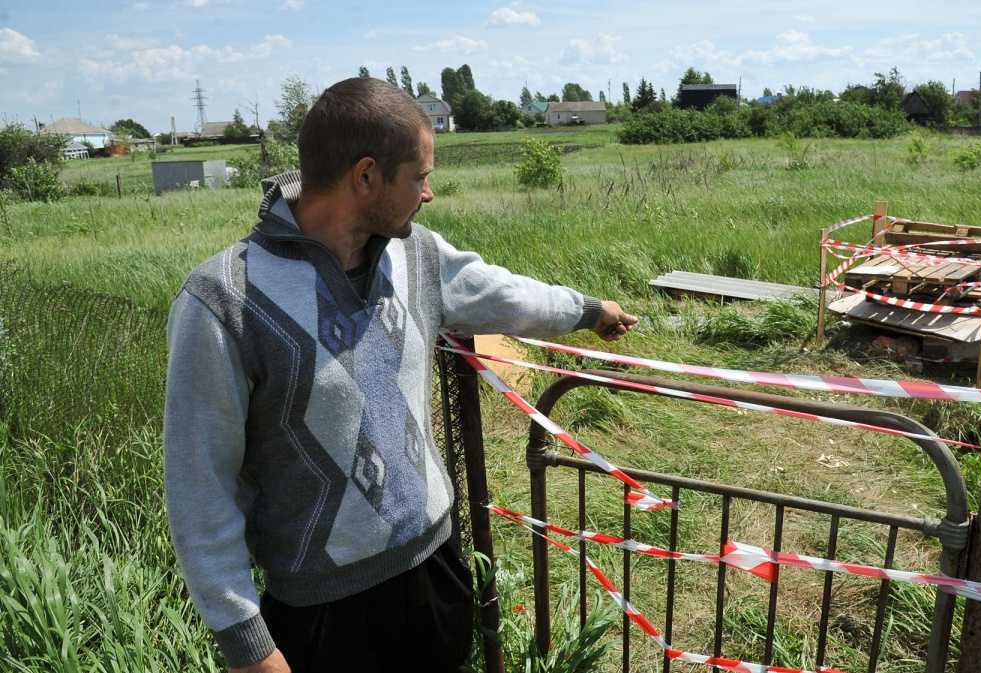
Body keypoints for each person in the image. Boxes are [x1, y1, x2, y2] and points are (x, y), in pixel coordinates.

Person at [163, 76, 637, 673]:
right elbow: (199, 489)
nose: (430, 193)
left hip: (436, 573)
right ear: (365, 177)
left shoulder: (414, 254)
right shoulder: (223, 302)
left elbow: (501, 293)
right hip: (323, 616)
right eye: (419, 176)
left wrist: (588, 311)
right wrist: (248, 647)